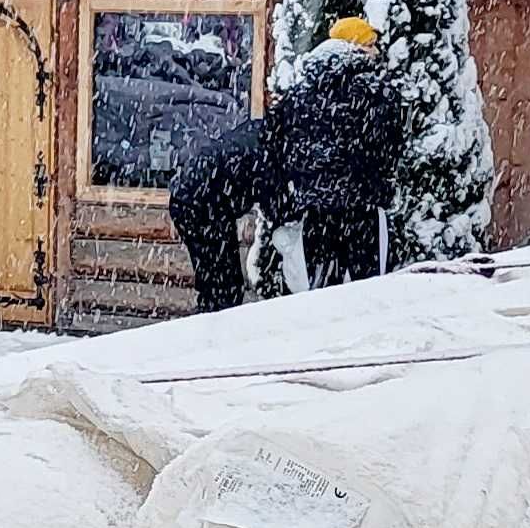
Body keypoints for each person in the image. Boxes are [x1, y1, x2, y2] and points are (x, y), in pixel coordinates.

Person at [169, 17, 406, 311]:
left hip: (199, 196)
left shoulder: (288, 117)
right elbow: (274, 189)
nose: (376, 52)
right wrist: (289, 214)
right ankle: (212, 336)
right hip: (199, 202)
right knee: (222, 286)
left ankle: (216, 328)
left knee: (225, 284)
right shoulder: (275, 151)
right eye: (371, 45)